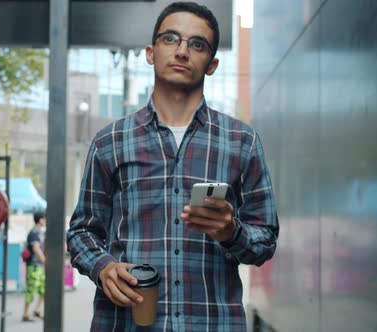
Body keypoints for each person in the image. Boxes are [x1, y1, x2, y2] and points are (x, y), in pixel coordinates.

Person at [66, 2, 279, 331]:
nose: (182, 51)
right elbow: (81, 232)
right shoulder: (109, 142)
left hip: (212, 323)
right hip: (125, 324)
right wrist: (104, 267)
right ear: (151, 52)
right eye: (171, 39)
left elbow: (265, 240)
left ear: (212, 64)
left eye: (197, 44)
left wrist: (231, 231)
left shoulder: (242, 142)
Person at [22, 211, 46, 322]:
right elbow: (36, 249)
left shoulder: (40, 232)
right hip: (34, 265)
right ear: (40, 219)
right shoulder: (34, 233)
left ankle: (37, 309)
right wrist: (45, 261)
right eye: (44, 218)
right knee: (31, 289)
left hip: (39, 266)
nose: (46, 220)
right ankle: (25, 313)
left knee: (43, 288)